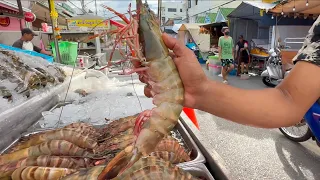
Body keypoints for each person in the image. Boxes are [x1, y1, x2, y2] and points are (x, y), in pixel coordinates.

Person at [143, 16, 320, 129]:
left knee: (233, 67)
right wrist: (198, 91)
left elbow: (288, 100)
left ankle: (226, 76)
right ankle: (224, 77)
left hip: (234, 56)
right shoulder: (222, 39)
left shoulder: (233, 40)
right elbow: (287, 99)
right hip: (226, 56)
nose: (227, 32)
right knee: (227, 68)